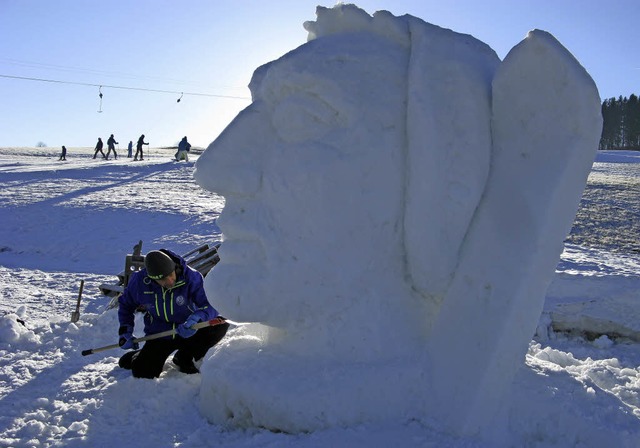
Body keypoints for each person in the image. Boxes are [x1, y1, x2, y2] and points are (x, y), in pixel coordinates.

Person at [117, 249, 229, 378]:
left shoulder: (191, 277)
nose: (169, 281)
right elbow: (126, 305)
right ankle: (140, 355)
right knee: (143, 373)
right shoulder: (139, 282)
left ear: (174, 268)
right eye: (163, 279)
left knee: (220, 323)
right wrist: (125, 331)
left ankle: (185, 356)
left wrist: (197, 318)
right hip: (160, 334)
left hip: (189, 329)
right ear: (151, 278)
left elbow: (211, 304)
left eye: (171, 275)